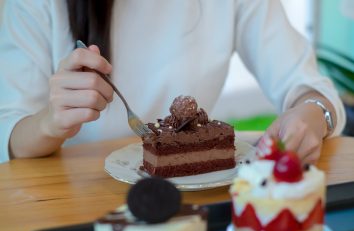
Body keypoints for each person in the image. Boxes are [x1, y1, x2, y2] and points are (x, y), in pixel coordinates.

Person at [0, 0, 346, 164]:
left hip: (197, 208)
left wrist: (310, 117)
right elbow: (8, 134)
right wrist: (48, 122)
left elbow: (311, 89)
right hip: (73, 206)